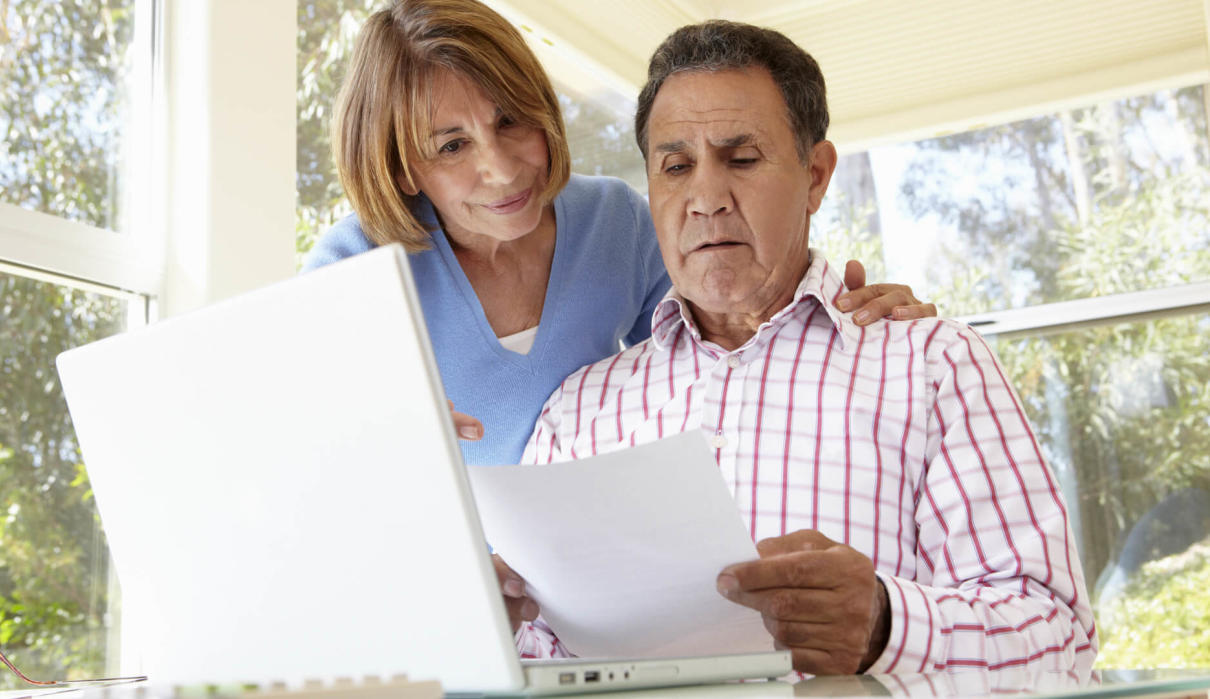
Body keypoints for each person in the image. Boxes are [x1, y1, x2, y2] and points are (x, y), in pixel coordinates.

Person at [510, 20, 1097, 676]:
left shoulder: (933, 365)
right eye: (676, 166)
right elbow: (535, 657)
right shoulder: (579, 411)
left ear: (815, 176)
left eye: (741, 158)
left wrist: (885, 624)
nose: (705, 198)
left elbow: (1060, 637)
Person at [302, 0, 934, 469]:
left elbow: (728, 329)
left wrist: (851, 321)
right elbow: (283, 442)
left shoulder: (615, 221)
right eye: (452, 145)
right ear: (406, 167)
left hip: (583, 574)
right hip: (439, 574)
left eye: (513, 121)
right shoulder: (355, 267)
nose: (501, 168)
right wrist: (364, 434)